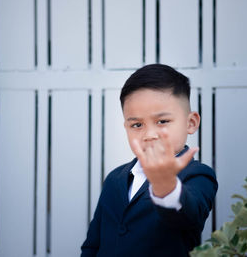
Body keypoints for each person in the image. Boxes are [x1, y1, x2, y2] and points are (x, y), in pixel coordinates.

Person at [80, 64, 218, 257]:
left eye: (162, 121)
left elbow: (190, 215)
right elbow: (92, 244)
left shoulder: (198, 175)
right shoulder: (114, 178)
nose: (149, 134)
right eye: (137, 125)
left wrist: (166, 187)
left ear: (191, 123)